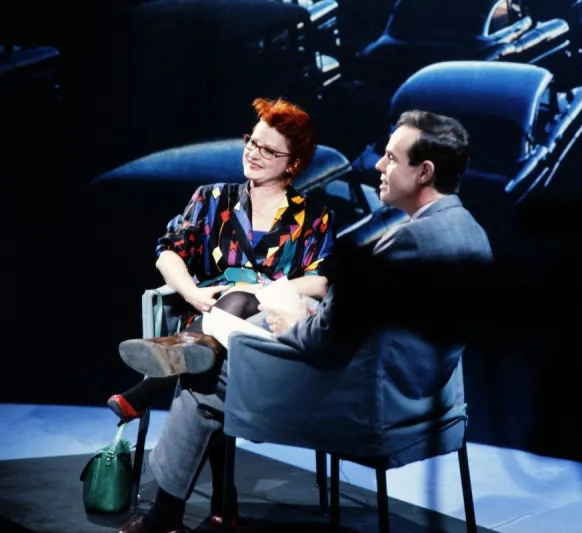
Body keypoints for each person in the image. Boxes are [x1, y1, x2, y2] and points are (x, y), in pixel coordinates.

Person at [114, 110, 492, 533]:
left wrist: (292, 315)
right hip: (423, 397)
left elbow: (322, 338)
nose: (378, 165)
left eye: (389, 157)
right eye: (251, 142)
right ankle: (213, 502)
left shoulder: (406, 240)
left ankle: (165, 513)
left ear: (424, 172)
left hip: (365, 404)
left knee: (206, 377)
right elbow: (361, 324)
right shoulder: (470, 232)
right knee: (215, 347)